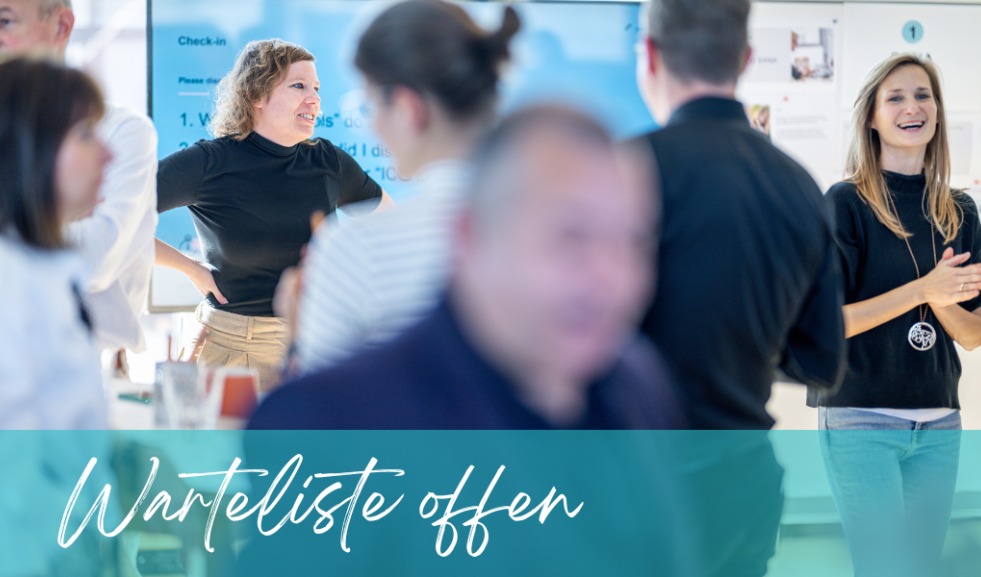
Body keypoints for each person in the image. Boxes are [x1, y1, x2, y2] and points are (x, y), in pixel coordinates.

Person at [249, 105, 682, 431]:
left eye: (634, 241)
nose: (611, 278)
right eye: (571, 236)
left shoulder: (638, 387)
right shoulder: (326, 416)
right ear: (469, 236)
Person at [632, 0, 846, 574]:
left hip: (642, 478)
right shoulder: (798, 186)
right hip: (743, 482)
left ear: (650, 54)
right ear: (746, 57)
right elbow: (821, 361)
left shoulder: (624, 170)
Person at [812, 53, 981, 576]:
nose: (913, 107)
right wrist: (923, 289)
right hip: (860, 418)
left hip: (939, 422)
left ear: (937, 110)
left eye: (923, 95)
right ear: (871, 117)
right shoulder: (845, 204)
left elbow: (973, 335)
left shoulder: (960, 210)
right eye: (895, 98)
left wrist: (941, 301)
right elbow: (829, 322)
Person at [283, 0, 520, 377]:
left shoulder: (356, 249)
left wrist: (298, 335)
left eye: (370, 106)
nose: (372, 125)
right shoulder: (563, 235)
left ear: (409, 109)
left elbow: (323, 411)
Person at [155, 38, 393, 392]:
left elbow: (389, 222)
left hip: (315, 344)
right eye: (299, 86)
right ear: (257, 95)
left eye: (316, 88)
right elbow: (115, 217)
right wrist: (189, 268)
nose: (314, 99)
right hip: (231, 348)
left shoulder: (328, 161)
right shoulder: (208, 163)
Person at [0, 0, 159, 366]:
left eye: (5, 21)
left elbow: (96, 258)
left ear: (61, 26)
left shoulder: (121, 132)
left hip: (92, 363)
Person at [0, 57, 111, 429]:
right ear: (23, 147)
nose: (109, 155)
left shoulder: (38, 263)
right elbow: (4, 455)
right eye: (85, 134)